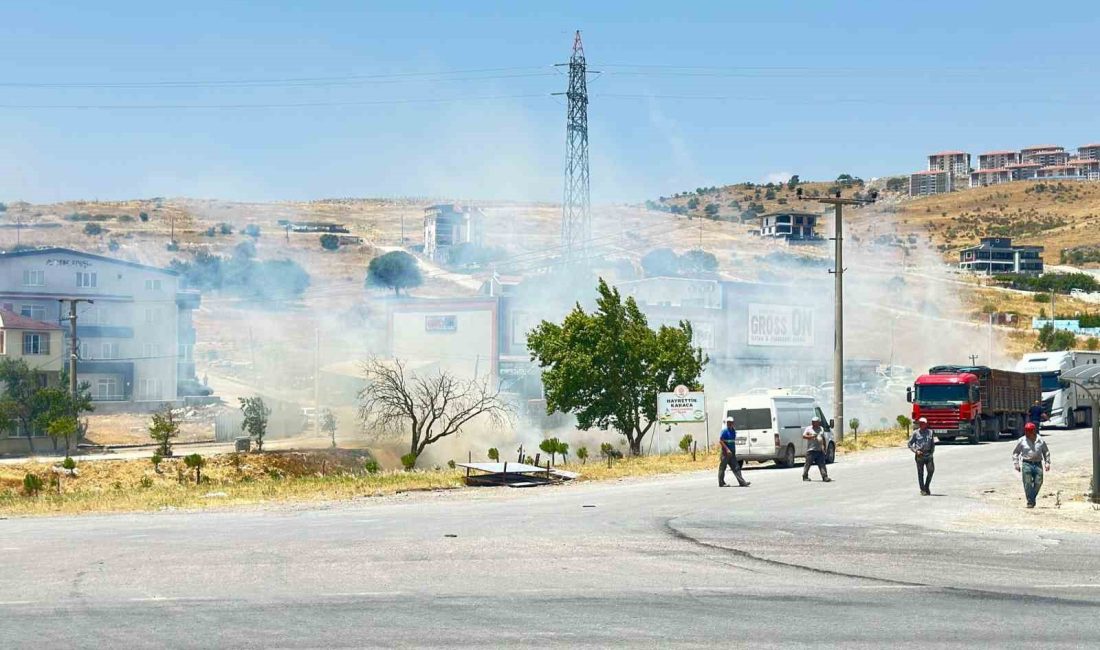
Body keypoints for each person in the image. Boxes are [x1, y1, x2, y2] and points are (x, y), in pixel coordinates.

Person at [1013, 422, 1051, 508]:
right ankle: (1030, 501)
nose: (1027, 433)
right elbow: (1015, 453)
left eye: (1029, 431)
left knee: (1039, 482)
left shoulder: (1040, 440)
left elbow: (1046, 452)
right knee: (1027, 483)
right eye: (1026, 431)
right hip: (1027, 463)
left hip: (1038, 464)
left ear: (1033, 431)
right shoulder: (1022, 440)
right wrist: (1016, 464)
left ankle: (1032, 497)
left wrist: (1047, 463)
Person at [718, 416, 750, 488]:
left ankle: (742, 482)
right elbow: (721, 441)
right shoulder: (725, 431)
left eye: (731, 423)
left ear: (733, 423)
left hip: (732, 453)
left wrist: (732, 450)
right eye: (728, 423)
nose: (729, 424)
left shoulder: (733, 431)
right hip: (725, 453)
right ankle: (721, 483)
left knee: (736, 467)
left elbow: (732, 441)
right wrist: (727, 449)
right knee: (722, 467)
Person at [908, 417, 935, 496]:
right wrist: (916, 451)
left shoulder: (930, 432)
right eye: (920, 423)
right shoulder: (915, 433)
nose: (921, 424)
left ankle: (927, 486)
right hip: (920, 455)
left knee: (931, 470)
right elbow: (909, 444)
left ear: (926, 424)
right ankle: (922, 490)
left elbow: (933, 443)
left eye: (923, 423)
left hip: (928, 455)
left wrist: (932, 453)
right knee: (920, 473)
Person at [802, 416, 831, 482]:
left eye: (815, 422)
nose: (813, 423)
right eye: (812, 422)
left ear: (818, 423)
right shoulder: (809, 429)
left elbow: (823, 438)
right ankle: (805, 476)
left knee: (822, 464)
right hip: (811, 450)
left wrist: (824, 447)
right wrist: (811, 436)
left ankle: (825, 476)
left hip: (819, 450)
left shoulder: (821, 429)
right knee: (808, 464)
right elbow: (804, 436)